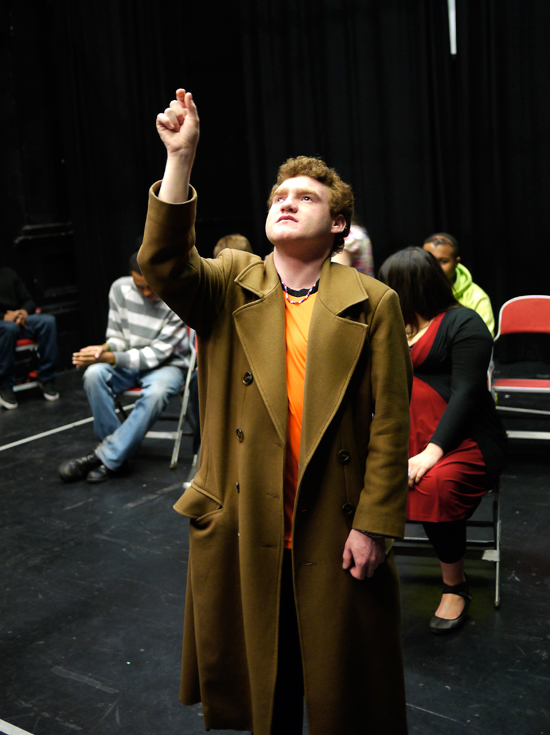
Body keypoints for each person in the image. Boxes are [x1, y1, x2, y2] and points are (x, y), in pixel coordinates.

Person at [138, 89, 412, 735]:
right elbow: (164, 263)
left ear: (339, 223)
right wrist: (182, 158)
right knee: (264, 689)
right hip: (243, 519)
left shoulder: (374, 300)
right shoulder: (232, 279)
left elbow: (388, 425)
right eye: (278, 196)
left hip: (335, 526)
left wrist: (374, 524)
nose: (287, 201)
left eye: (307, 196)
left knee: (344, 693)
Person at [378, 247, 507, 634]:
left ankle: (456, 586)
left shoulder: (463, 323)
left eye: (391, 285)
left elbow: (468, 392)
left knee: (434, 485)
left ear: (410, 286)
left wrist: (430, 453)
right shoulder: (391, 325)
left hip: (463, 441)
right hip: (404, 438)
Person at [58, 252, 189, 484]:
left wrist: (112, 356)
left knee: (157, 392)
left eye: (151, 287)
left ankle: (104, 456)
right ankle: (116, 454)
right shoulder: (120, 289)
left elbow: (155, 355)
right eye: (141, 288)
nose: (147, 293)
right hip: (127, 360)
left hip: (167, 365)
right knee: (93, 374)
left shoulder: (177, 297)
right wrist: (102, 350)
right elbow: (118, 338)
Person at [0, 265, 59, 409]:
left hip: (18, 321)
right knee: (9, 328)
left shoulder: (8, 274)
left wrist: (24, 313)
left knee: (47, 322)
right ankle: (5, 385)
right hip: (4, 325)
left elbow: (28, 300)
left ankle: (46, 377)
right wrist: (3, 317)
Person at [423, 232, 495, 335]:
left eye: (443, 261)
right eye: (430, 260)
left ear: (456, 262)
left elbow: (483, 340)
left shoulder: (476, 297)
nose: (435, 267)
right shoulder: (414, 290)